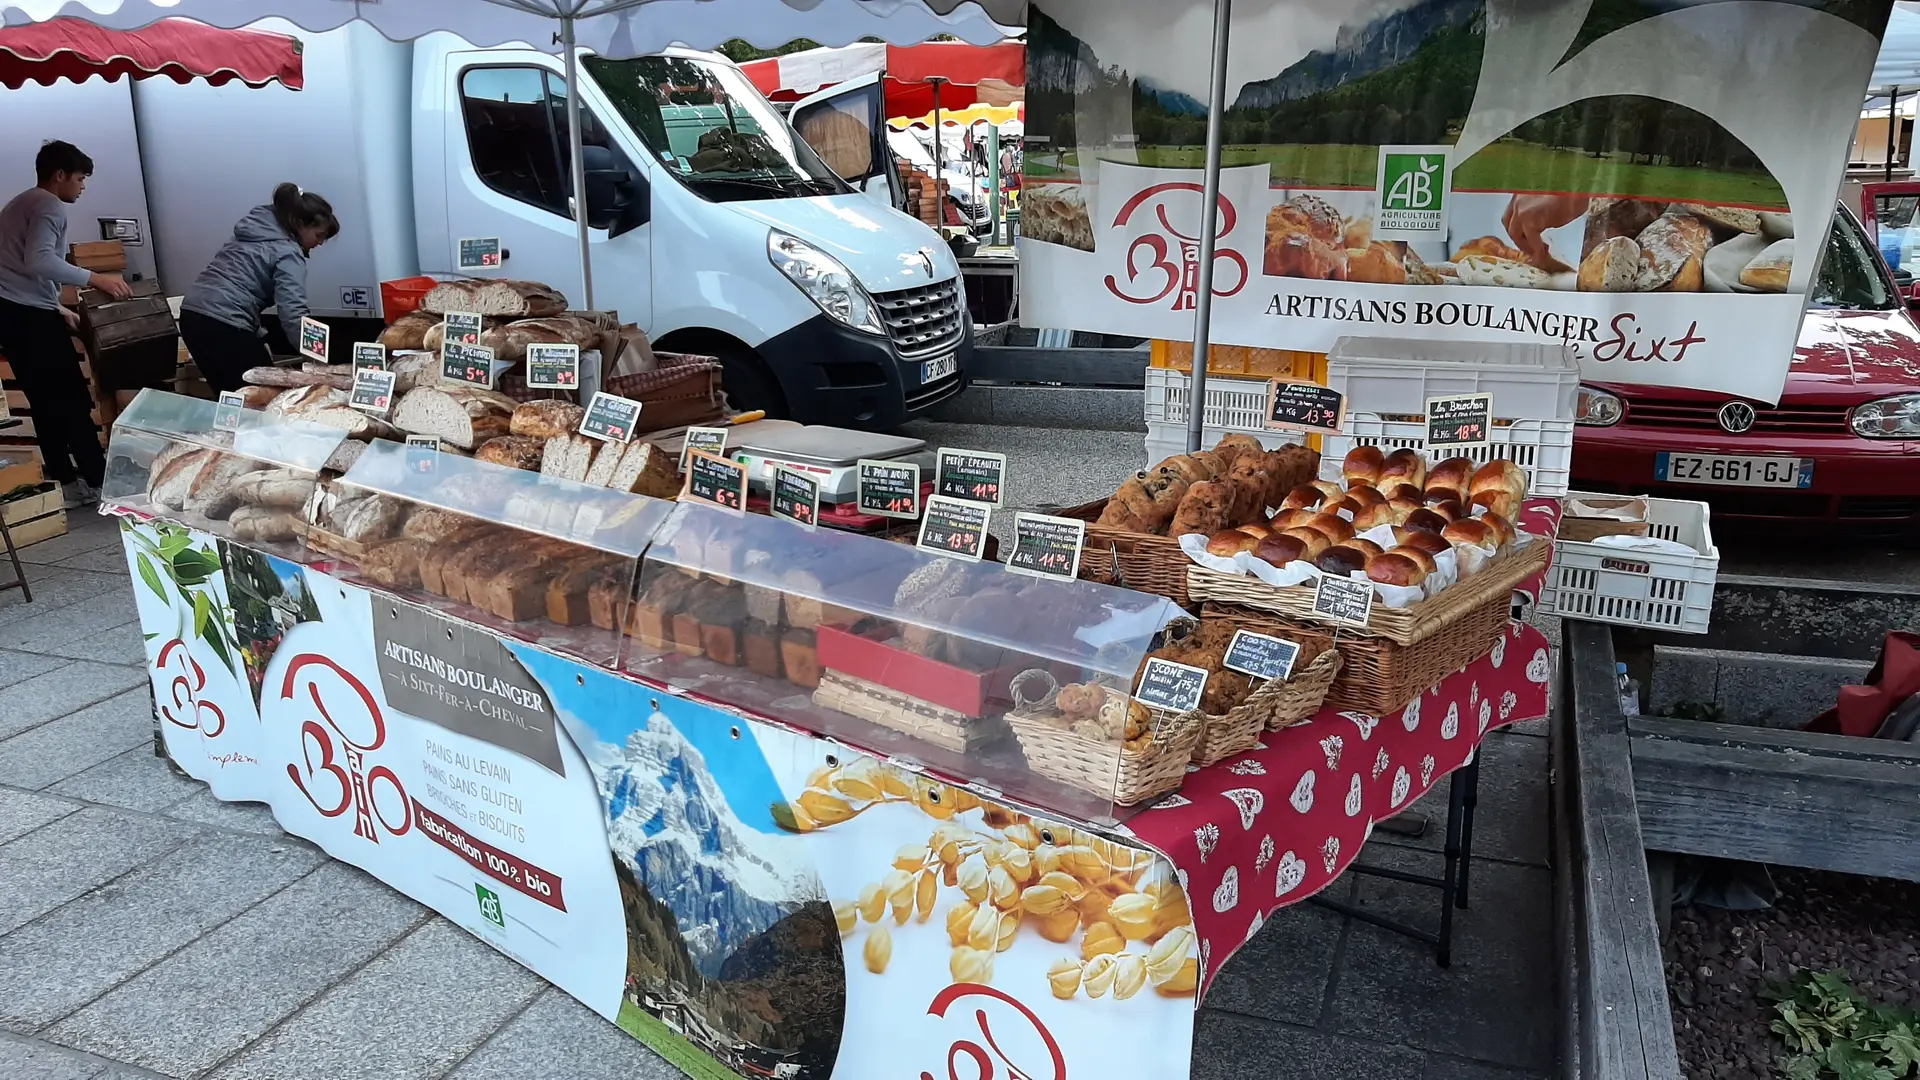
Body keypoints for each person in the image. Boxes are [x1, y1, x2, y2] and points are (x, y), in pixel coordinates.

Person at [0, 141, 132, 508]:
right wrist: (96, 278)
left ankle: (68, 484)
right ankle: (99, 481)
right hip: (29, 317)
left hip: (14, 312)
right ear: (60, 175)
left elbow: (14, 266)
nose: (83, 186)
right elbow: (39, 260)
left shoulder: (20, 203)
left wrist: (56, 308)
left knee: (44, 401)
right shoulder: (48, 205)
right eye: (80, 178)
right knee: (71, 399)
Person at [179, 183, 338, 393]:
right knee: (265, 395)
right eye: (319, 235)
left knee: (233, 395)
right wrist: (319, 363)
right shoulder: (287, 253)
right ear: (300, 224)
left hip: (191, 314)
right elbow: (293, 313)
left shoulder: (251, 234)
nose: (320, 243)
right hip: (225, 322)